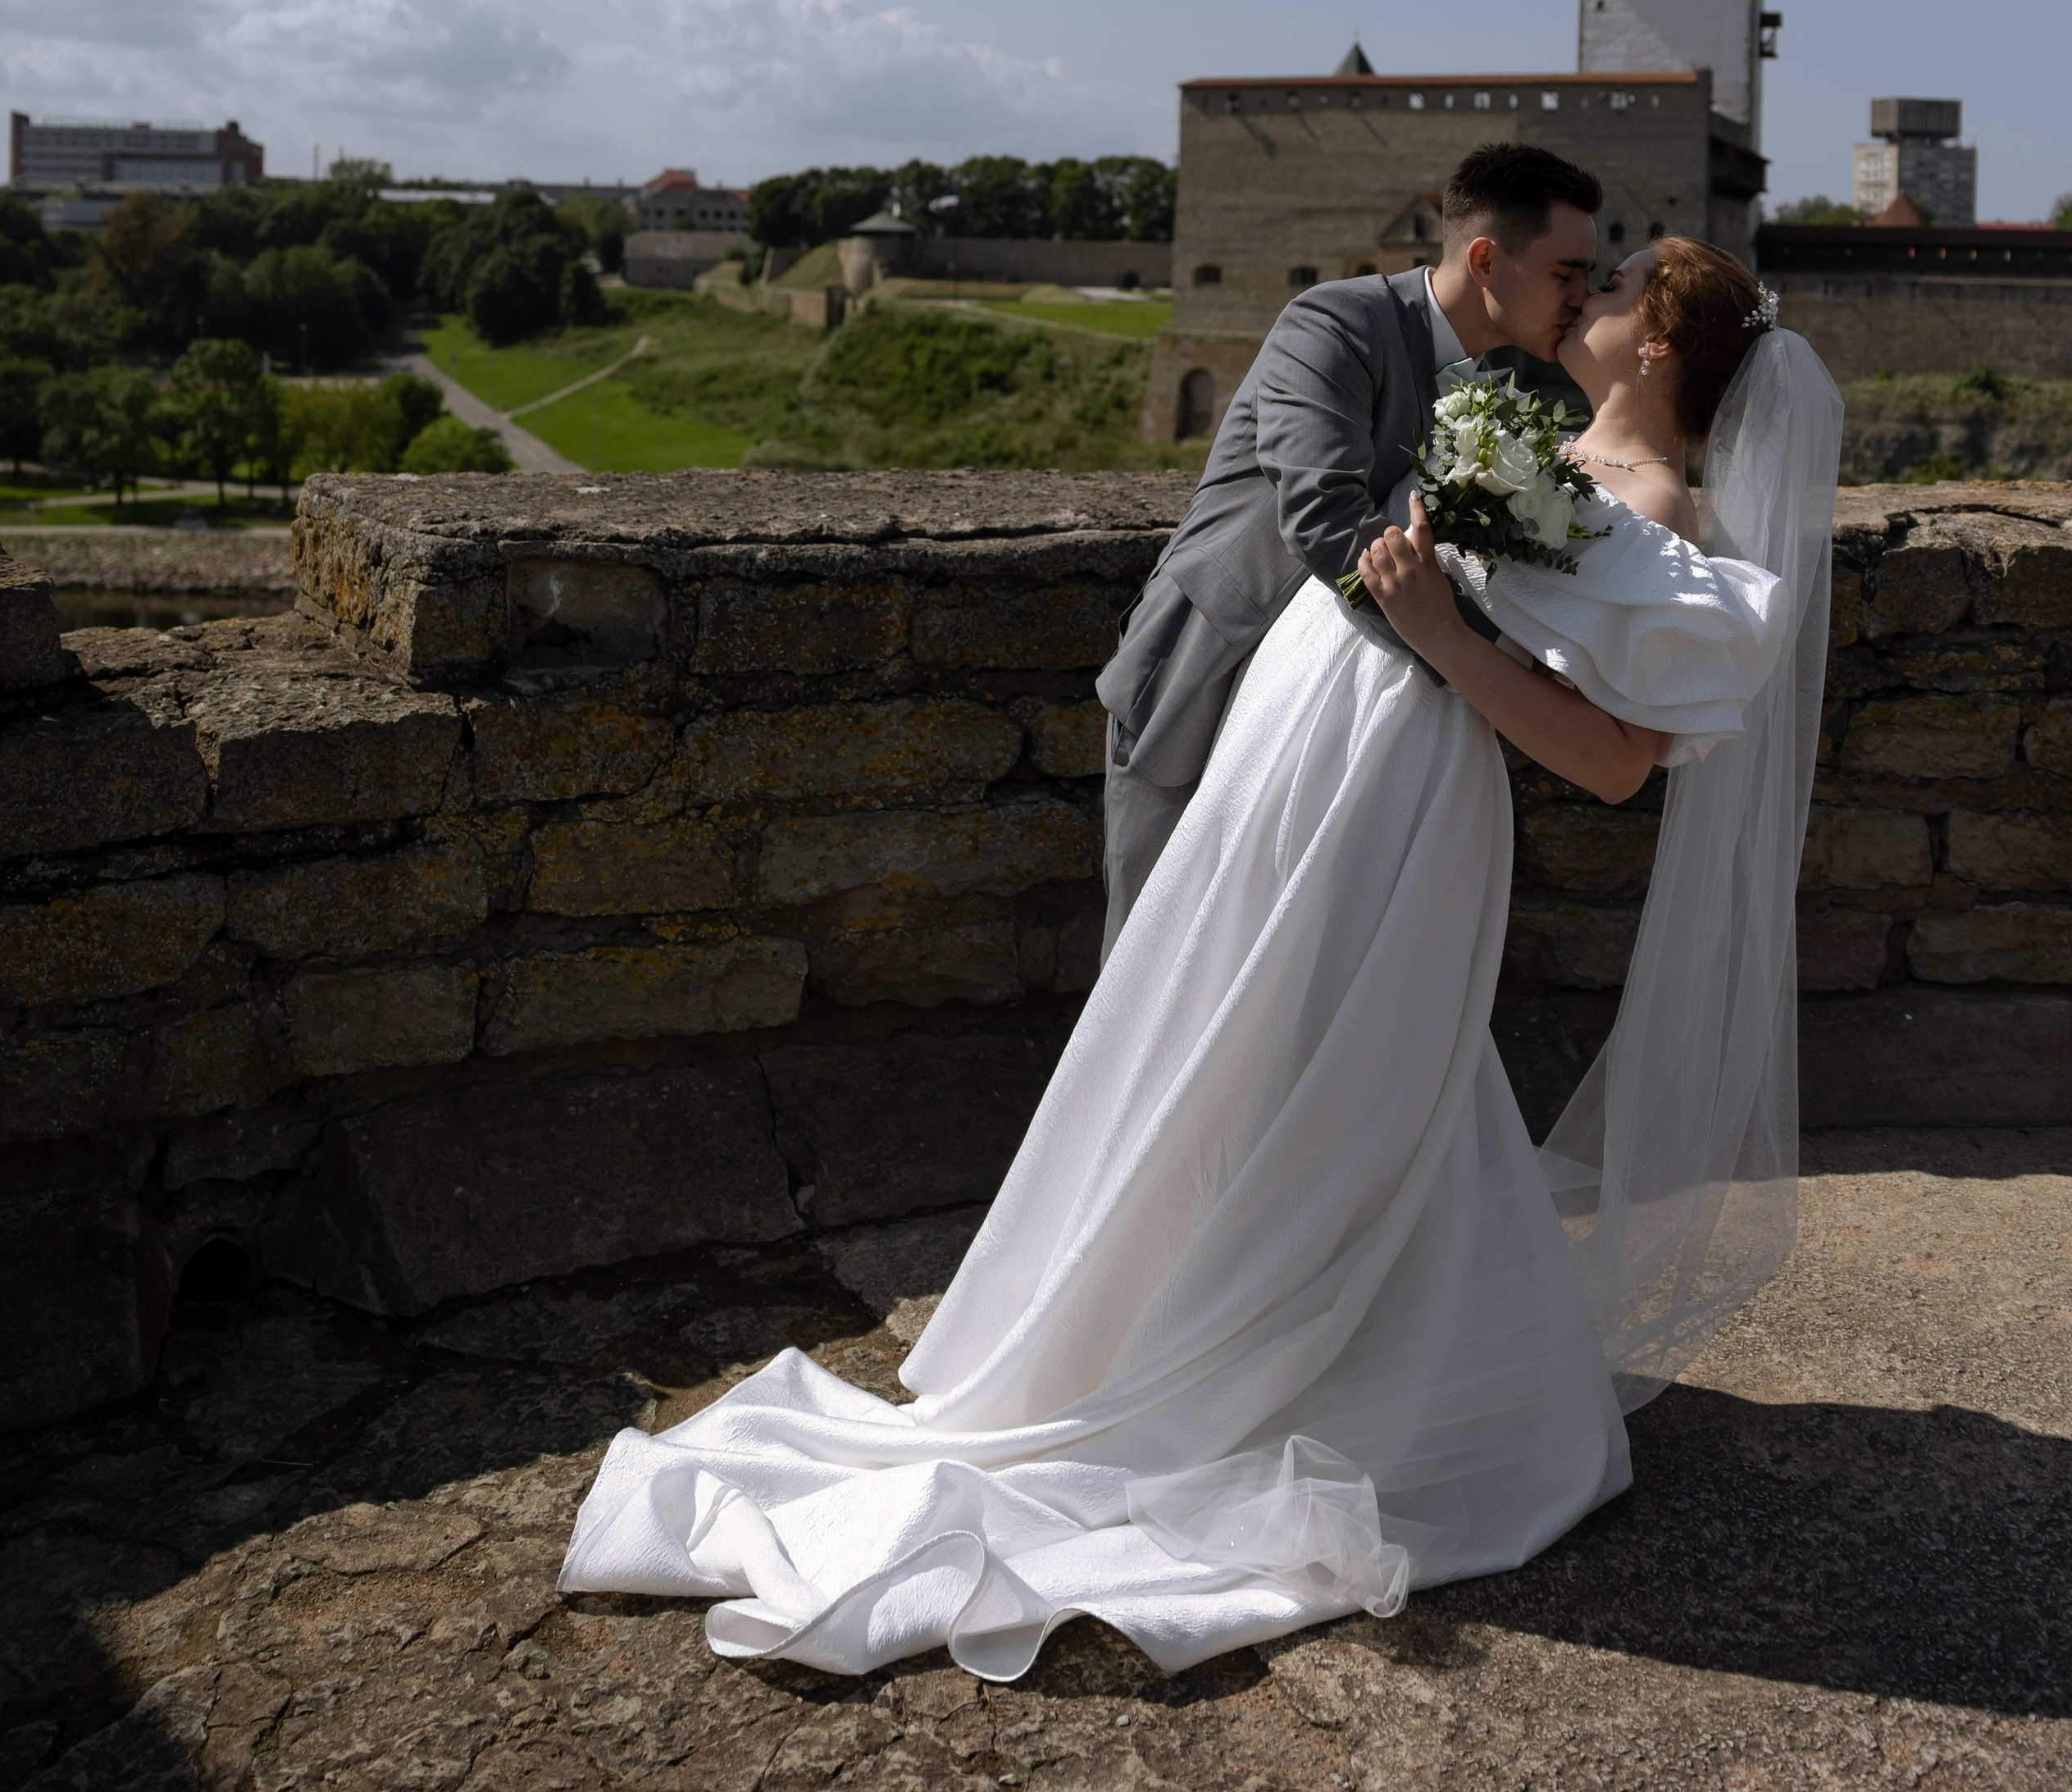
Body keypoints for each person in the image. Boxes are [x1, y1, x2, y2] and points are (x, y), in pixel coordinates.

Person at [561, 224, 1842, 1685]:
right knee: (1216, 1029)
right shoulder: (1546, 439)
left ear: (1657, 340)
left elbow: (1613, 763)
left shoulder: (1654, 501)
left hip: (1397, 784)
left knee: (1330, 1060)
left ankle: (1282, 1350)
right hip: (1305, 733)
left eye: (1609, 287)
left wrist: (1437, 630)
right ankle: (1166, 1309)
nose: (1580, 294)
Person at [1097, 144, 1605, 949]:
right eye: (1565, 273)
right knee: (1153, 949)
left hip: (1326, 715)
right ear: (1484, 260)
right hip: (1210, 667)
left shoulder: (1488, 384)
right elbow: (1326, 518)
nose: (1581, 298)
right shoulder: (1334, 321)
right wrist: (1499, 664)